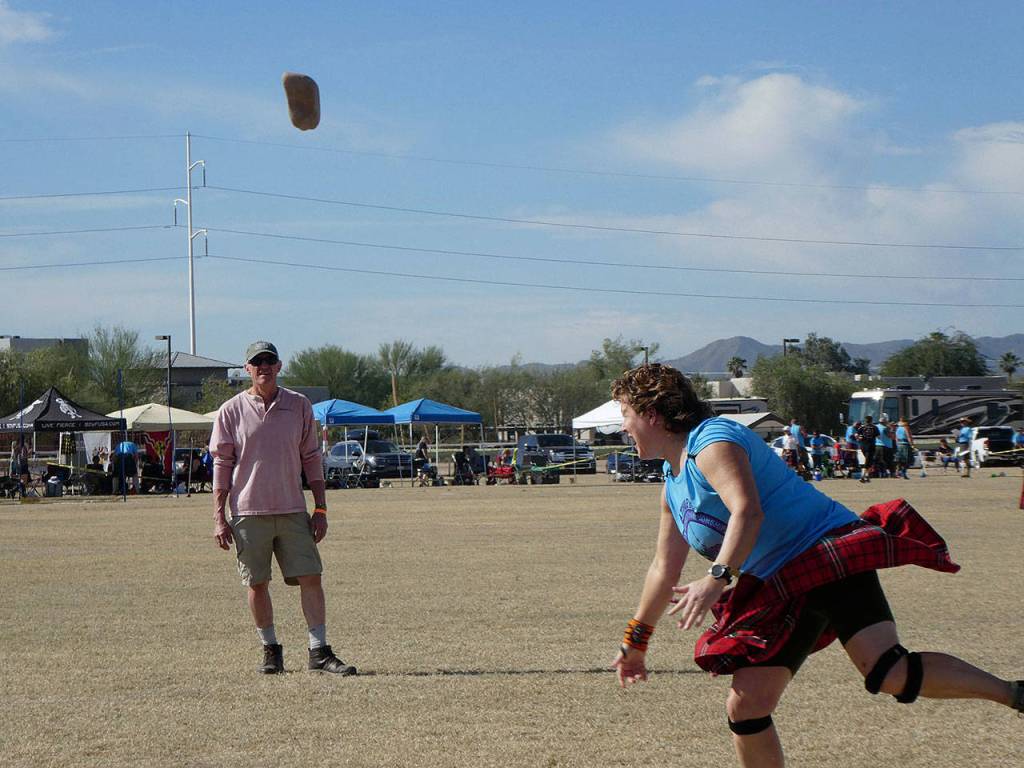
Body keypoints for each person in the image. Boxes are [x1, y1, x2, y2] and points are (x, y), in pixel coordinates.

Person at [608, 364, 1023, 767]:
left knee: (889, 672)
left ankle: (1016, 694)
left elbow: (747, 512)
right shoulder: (673, 482)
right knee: (747, 705)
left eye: (625, 414)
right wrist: (636, 641)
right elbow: (663, 568)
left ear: (652, 414)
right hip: (781, 581)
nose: (622, 426)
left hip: (825, 553)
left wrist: (717, 577)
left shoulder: (712, 440)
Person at [211, 340, 356, 676]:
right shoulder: (230, 410)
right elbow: (222, 463)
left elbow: (311, 458)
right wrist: (219, 516)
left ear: (279, 366)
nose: (263, 366)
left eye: (269, 361)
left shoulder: (299, 405)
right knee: (257, 583)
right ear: (247, 369)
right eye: (257, 362)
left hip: (292, 509)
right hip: (248, 513)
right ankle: (270, 651)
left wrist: (321, 509)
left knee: (311, 577)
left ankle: (319, 651)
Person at [855, 415, 879, 482]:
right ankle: (862, 476)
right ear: (871, 420)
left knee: (869, 460)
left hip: (863, 446)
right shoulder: (874, 427)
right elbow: (878, 436)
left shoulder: (862, 427)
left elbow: (856, 435)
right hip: (871, 445)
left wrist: (858, 439)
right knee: (868, 461)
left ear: (865, 421)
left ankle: (867, 476)